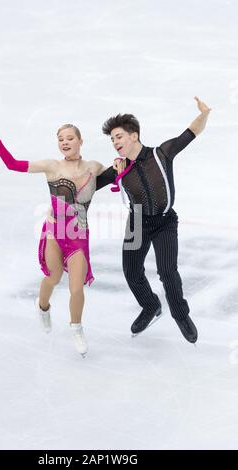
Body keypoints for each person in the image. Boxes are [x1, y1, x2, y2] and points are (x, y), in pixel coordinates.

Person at [0, 123, 115, 357]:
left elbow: (118, 176)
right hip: (54, 231)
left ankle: (76, 329)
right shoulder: (51, 166)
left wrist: (123, 166)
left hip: (78, 234)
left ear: (80, 141)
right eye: (60, 139)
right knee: (53, 277)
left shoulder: (94, 167)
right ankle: (42, 306)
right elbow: (13, 165)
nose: (65, 142)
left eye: (69, 138)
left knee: (76, 288)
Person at [95, 97, 211, 343]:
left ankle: (181, 315)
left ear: (133, 136)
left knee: (168, 272)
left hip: (165, 221)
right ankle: (150, 306)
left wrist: (204, 114)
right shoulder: (119, 168)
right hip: (137, 222)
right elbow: (90, 187)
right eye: (112, 139)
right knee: (131, 271)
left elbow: (190, 133)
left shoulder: (162, 154)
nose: (115, 142)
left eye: (118, 136)